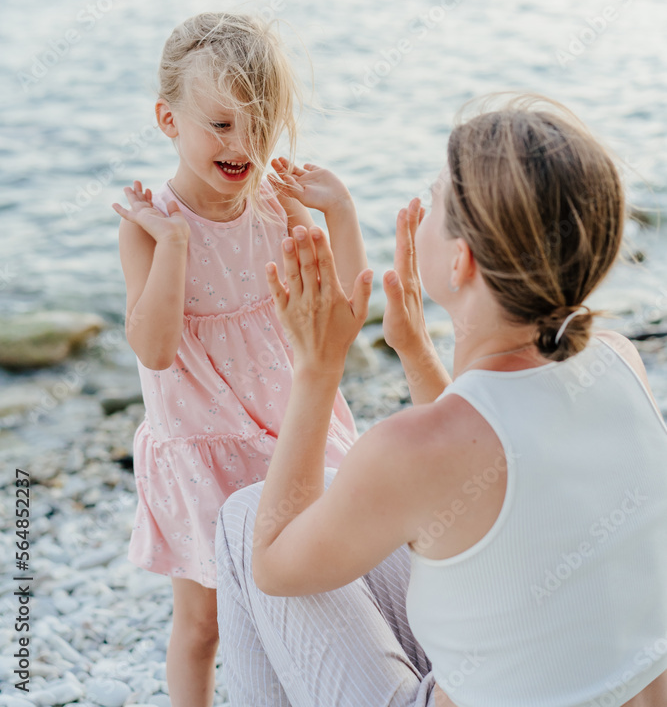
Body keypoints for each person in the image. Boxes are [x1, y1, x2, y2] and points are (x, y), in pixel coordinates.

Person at [215, 93, 667, 707]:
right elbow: (488, 475)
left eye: (434, 199)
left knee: (246, 521)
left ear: (460, 261)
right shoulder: (620, 362)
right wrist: (415, 349)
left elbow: (273, 565)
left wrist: (318, 368)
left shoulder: (412, 452)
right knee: (355, 511)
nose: (420, 211)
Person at [111, 11, 367, 707]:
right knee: (203, 624)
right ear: (168, 119)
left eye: (260, 125)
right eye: (221, 124)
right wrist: (173, 245)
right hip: (202, 447)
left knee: (306, 590)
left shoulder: (276, 208)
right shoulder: (149, 228)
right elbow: (155, 349)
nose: (243, 145)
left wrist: (340, 213)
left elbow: (341, 311)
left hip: (289, 433)